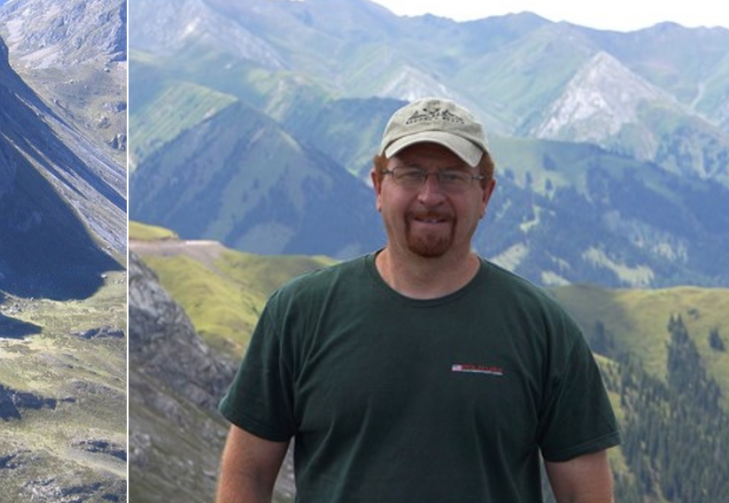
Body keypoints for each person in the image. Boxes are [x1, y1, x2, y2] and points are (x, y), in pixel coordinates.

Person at [215, 98, 621, 502]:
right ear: (379, 186)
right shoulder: (298, 314)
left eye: (453, 176)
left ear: (486, 194)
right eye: (410, 174)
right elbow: (248, 474)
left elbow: (585, 495)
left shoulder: (544, 330)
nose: (429, 196)